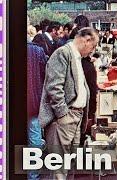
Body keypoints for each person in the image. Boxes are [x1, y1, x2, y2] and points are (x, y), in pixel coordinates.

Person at [38, 27, 99, 179]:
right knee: (59, 168)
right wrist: (62, 113)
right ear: (87, 40)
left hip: (75, 117)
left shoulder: (76, 56)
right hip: (66, 118)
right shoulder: (62, 53)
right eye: (93, 46)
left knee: (69, 165)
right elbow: (54, 87)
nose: (92, 51)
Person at [27, 42, 47, 180]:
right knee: (34, 140)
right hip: (32, 102)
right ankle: (33, 176)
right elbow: (46, 75)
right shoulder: (36, 51)